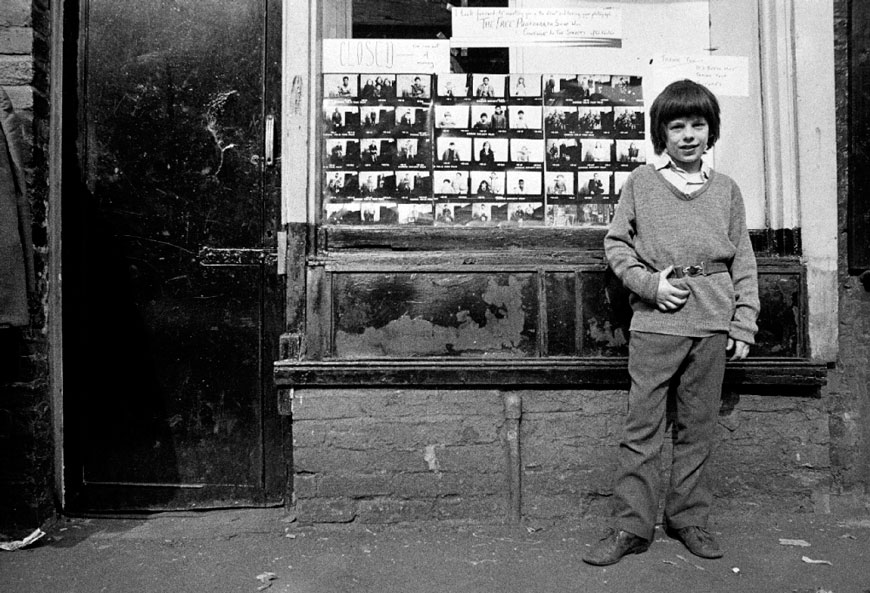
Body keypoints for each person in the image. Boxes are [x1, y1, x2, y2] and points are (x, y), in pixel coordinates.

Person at [583, 79, 759, 566]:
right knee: (642, 429)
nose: (687, 135)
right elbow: (616, 244)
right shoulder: (641, 182)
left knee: (697, 429)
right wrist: (648, 285)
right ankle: (630, 527)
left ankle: (688, 520)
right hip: (657, 323)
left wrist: (743, 323)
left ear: (711, 131)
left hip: (711, 323)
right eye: (676, 125)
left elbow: (742, 260)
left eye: (697, 125)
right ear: (661, 132)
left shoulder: (726, 190)